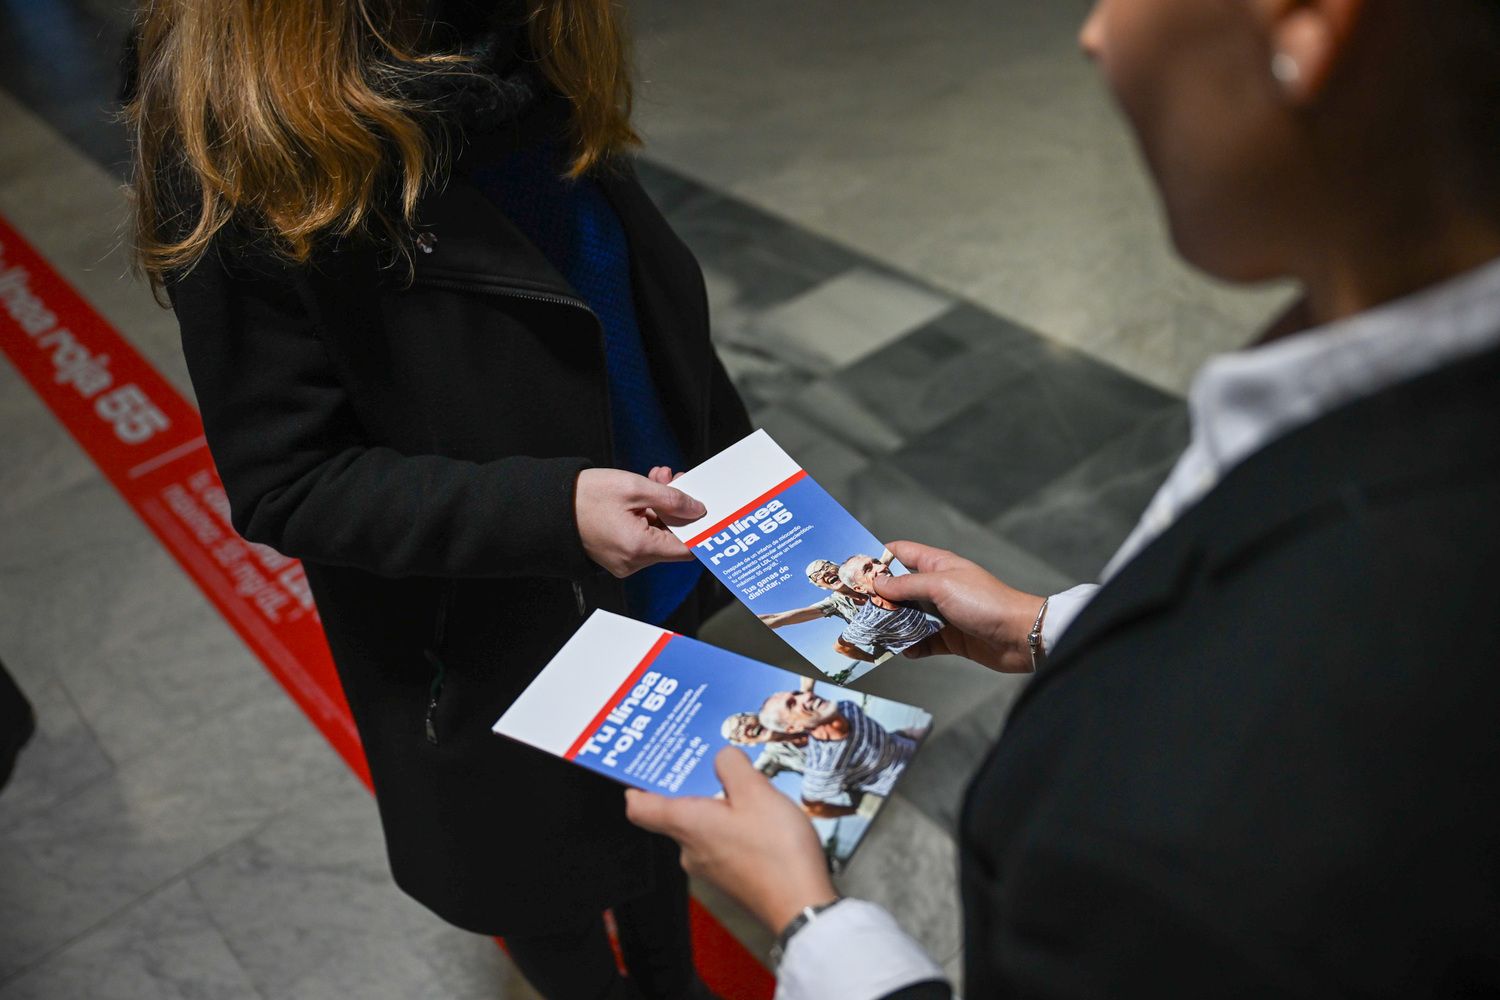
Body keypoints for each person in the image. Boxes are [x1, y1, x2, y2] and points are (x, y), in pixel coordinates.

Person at [626, 0, 1500, 996]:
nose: (1092, 34)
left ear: (1307, 24)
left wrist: (809, 919)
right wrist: (1049, 625)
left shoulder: (1213, 827)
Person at [126, 1, 750, 996]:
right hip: (488, 639)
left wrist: (744, 476)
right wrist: (549, 511)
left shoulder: (532, 42)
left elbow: (636, 317)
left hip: (645, 576)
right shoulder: (240, 138)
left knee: (657, 818)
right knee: (545, 881)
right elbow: (288, 477)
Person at [756, 688, 917, 819]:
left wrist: (912, 735)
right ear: (792, 728)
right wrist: (855, 810)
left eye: (798, 693)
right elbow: (812, 809)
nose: (807, 696)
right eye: (792, 704)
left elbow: (886, 740)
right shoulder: (822, 770)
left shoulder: (847, 707)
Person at [756, 557, 889, 663]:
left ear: (839, 567)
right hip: (888, 644)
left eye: (826, 567)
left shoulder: (868, 572)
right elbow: (777, 618)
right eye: (816, 576)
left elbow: (888, 554)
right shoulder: (834, 603)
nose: (824, 573)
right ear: (821, 586)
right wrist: (874, 659)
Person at [833, 554, 942, 657]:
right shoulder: (868, 622)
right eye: (868, 569)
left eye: (877, 562)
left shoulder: (907, 585)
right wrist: (872, 659)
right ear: (859, 588)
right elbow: (840, 647)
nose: (883, 567)